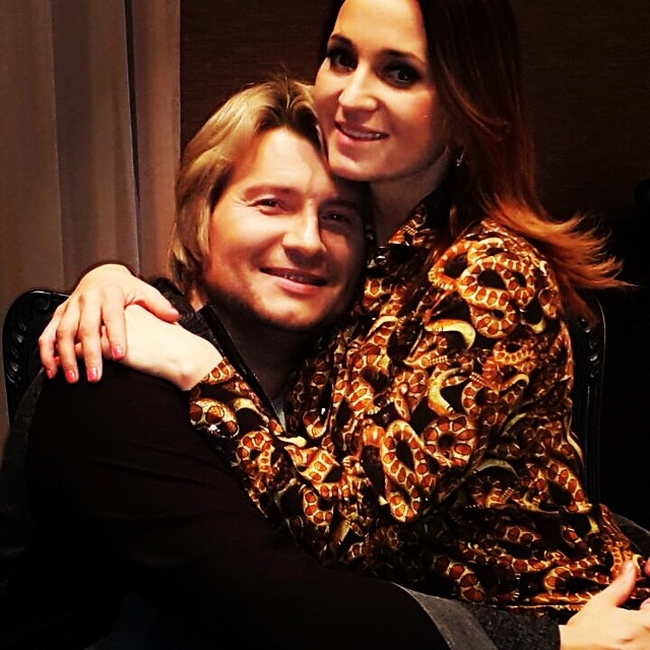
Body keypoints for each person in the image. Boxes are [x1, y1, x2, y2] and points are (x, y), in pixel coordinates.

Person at [37, 0, 650, 648]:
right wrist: (112, 281)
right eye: (341, 57)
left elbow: (347, 531)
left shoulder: (486, 271)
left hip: (570, 625)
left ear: (465, 100)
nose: (354, 96)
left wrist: (194, 364)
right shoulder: (373, 271)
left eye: (400, 72)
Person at [1, 76, 474, 650]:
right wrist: (543, 640)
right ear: (200, 218)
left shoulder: (343, 383)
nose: (307, 241)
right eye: (271, 203)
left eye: (338, 217)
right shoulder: (112, 368)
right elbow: (278, 607)